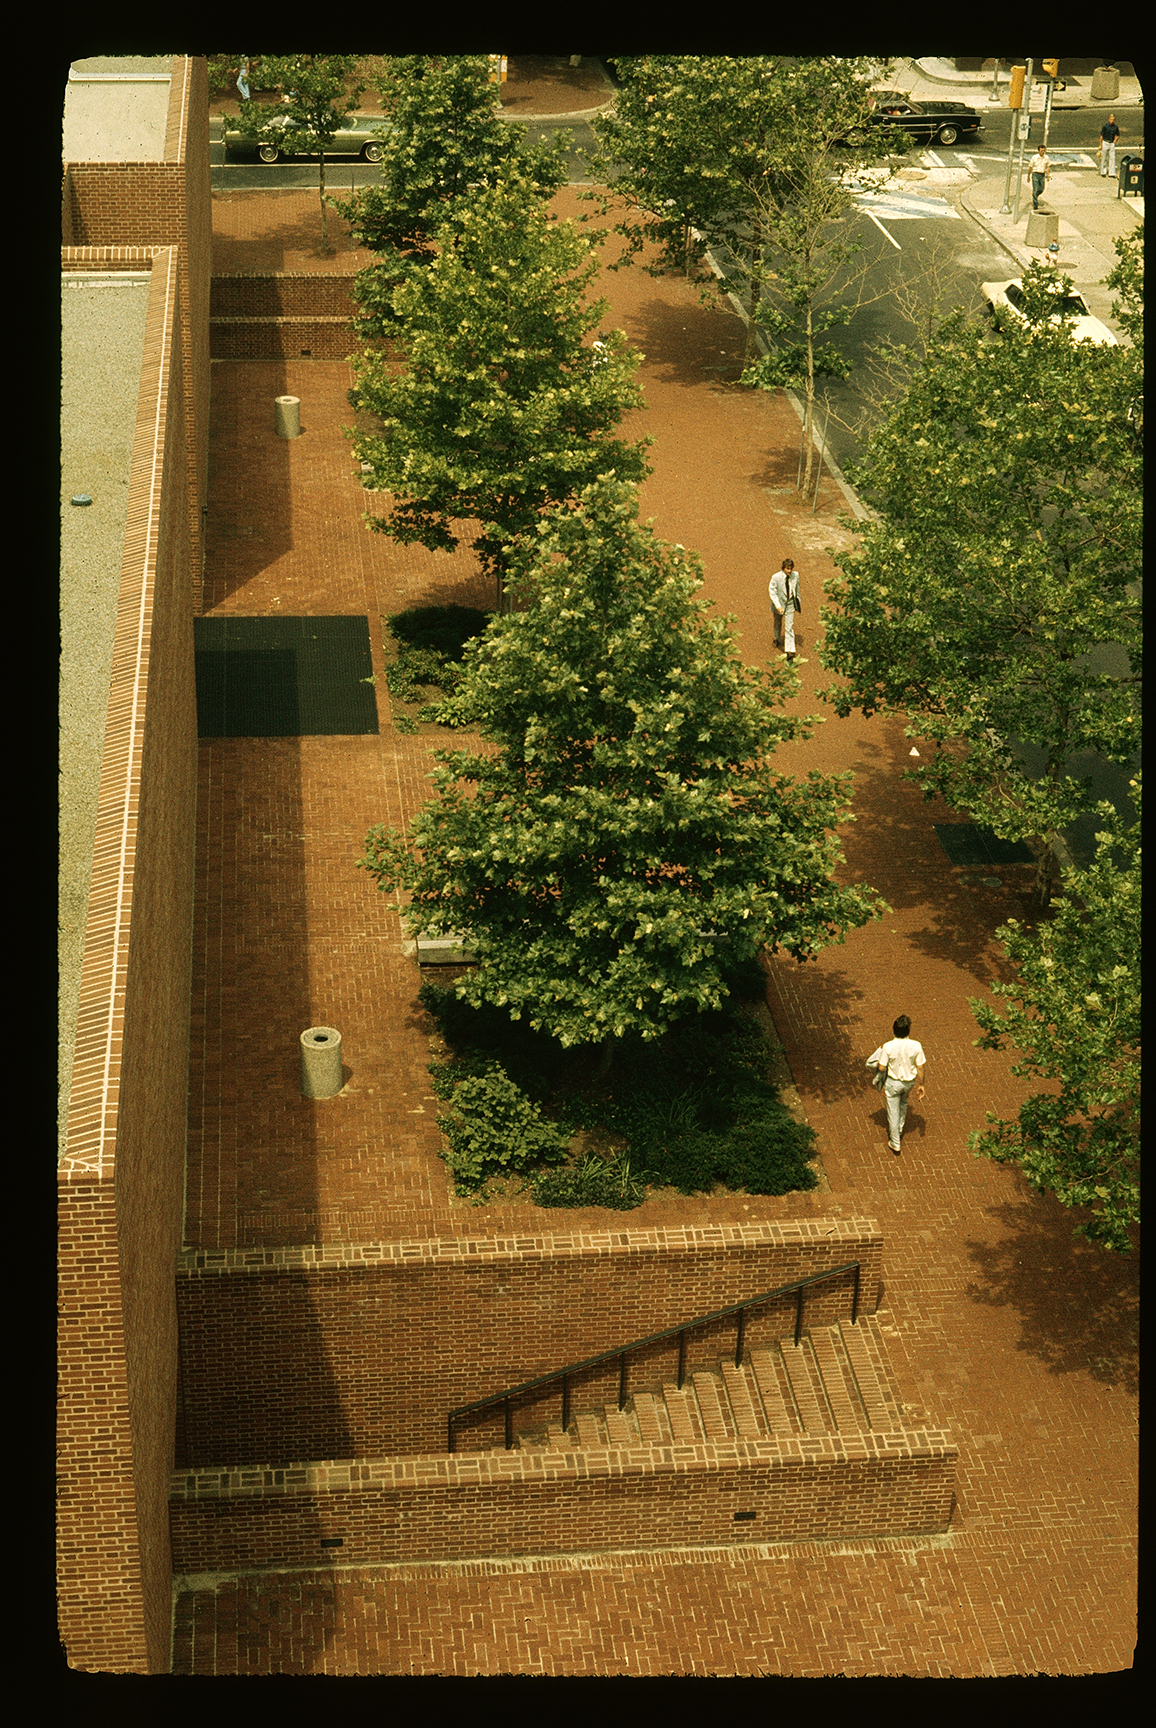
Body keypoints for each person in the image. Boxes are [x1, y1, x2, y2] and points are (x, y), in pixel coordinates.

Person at [867, 1014, 926, 1155]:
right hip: (909, 1083)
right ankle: (899, 1128)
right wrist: (921, 1085)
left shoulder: (887, 1047)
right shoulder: (916, 1045)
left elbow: (881, 1068)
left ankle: (895, 1142)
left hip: (893, 1083)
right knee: (903, 1103)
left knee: (893, 1111)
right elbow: (920, 1067)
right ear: (908, 1030)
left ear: (894, 1030)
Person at [769, 557, 802, 660]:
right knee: (777, 623)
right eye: (787, 568)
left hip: (790, 603)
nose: (789, 571)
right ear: (783, 568)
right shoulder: (776, 577)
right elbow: (772, 592)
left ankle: (790, 650)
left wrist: (798, 601)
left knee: (789, 626)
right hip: (779, 604)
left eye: (791, 568)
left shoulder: (795, 575)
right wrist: (778, 606)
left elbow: (797, 589)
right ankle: (777, 638)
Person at [1028, 143, 1050, 211]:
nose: (1042, 152)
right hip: (1035, 174)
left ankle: (1035, 195)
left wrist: (1048, 175)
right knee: (1035, 189)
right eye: (1041, 151)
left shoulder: (1046, 158)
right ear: (1038, 151)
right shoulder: (1034, 158)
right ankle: (1035, 205)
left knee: (1041, 189)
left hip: (1042, 174)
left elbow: (1047, 167)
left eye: (1043, 151)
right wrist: (1028, 176)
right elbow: (1030, 167)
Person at [1099, 113, 1120, 178]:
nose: (1112, 121)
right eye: (1111, 119)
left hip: (1111, 143)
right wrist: (1100, 144)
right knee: (1104, 157)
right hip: (1105, 142)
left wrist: (1114, 141)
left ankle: (1111, 172)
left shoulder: (1115, 127)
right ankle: (1103, 171)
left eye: (1113, 119)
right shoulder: (1105, 126)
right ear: (1109, 119)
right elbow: (1101, 136)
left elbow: (1118, 135)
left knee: (1112, 158)